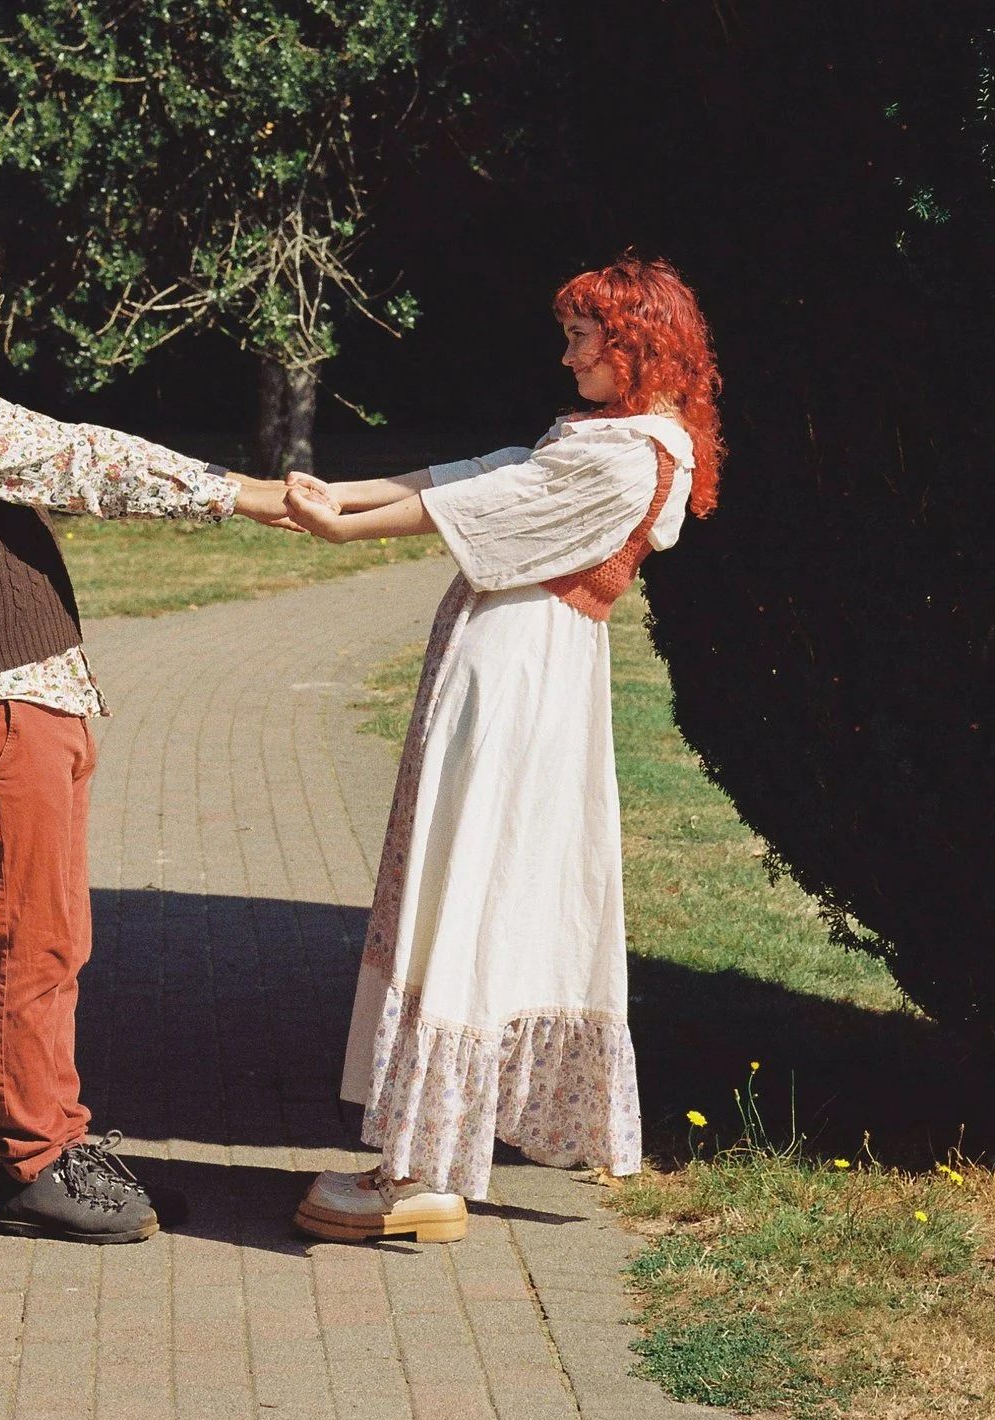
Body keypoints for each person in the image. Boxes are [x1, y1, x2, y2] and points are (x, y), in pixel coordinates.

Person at [0, 206, 293, 1245]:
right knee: (32, 941)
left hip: (32, 704)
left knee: (57, 938)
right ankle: (34, 1164)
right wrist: (242, 496)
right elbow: (78, 459)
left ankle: (59, 1138)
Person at [281, 254, 723, 1245]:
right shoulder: (603, 439)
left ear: (634, 345)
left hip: (516, 673)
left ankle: (423, 1174)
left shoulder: (626, 455)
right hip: (519, 667)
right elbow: (476, 474)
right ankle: (418, 1160)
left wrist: (340, 531)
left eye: (582, 336)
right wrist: (337, 492)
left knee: (468, 881)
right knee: (464, 880)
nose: (566, 352)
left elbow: (477, 508)